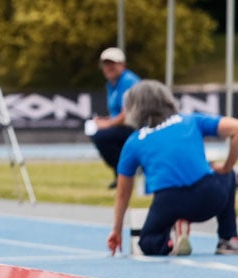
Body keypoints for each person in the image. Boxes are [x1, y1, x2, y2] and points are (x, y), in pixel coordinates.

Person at [106, 80, 238, 256]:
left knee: (148, 242)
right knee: (227, 175)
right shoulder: (190, 120)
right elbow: (236, 129)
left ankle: (167, 242)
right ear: (167, 100)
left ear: (133, 109)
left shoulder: (134, 142)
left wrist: (117, 229)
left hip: (169, 202)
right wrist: (226, 166)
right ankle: (228, 238)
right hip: (209, 197)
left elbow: (123, 193)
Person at [91, 47, 141, 188]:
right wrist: (106, 120)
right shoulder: (111, 84)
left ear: (122, 64)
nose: (109, 67)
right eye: (106, 64)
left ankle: (126, 172)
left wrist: (107, 124)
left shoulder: (128, 81)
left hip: (137, 127)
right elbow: (118, 113)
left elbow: (129, 114)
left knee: (101, 136)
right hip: (126, 126)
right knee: (102, 135)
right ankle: (122, 174)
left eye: (112, 63)